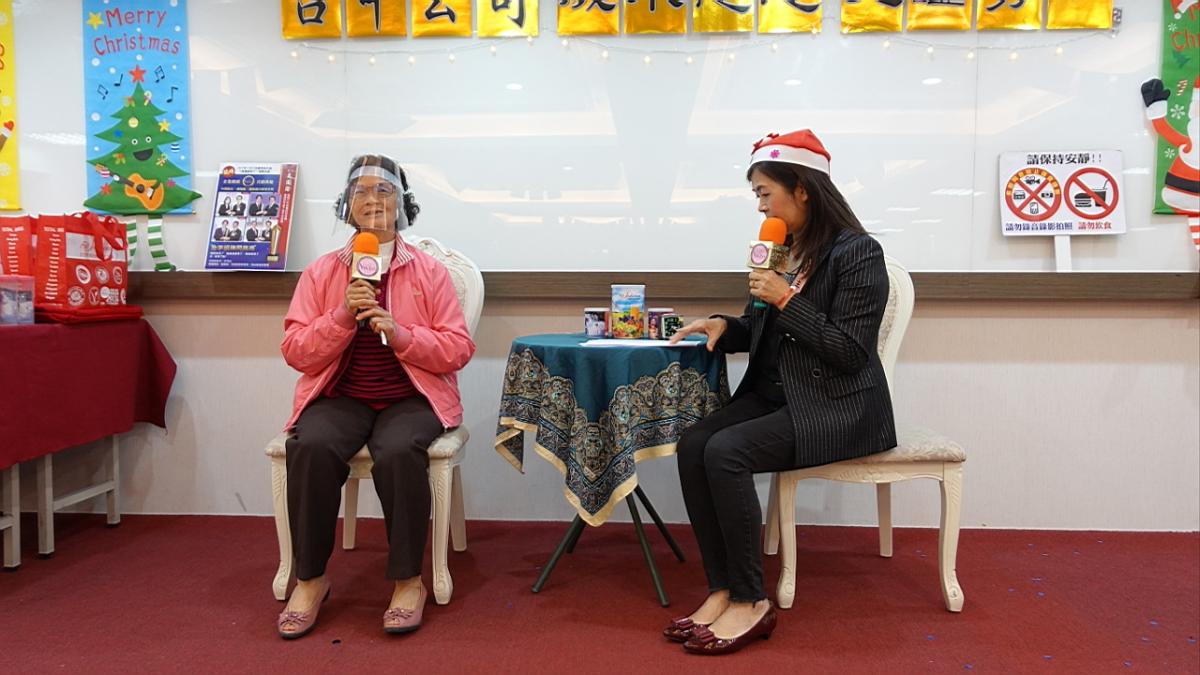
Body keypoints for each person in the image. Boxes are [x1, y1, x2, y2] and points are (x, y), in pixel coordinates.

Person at [665, 129, 896, 656]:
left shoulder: (859, 253)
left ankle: (752, 600)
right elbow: (762, 327)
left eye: (765, 193)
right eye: (757, 196)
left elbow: (849, 352)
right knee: (694, 443)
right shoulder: (783, 250)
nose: (760, 206)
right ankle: (722, 589)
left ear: (804, 190)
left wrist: (787, 298)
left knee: (727, 452)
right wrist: (726, 326)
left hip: (835, 404)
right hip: (777, 395)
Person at [276, 154, 475, 640]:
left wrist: (402, 334)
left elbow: (457, 349)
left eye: (384, 190)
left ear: (403, 204)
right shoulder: (322, 272)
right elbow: (296, 351)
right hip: (341, 396)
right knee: (311, 445)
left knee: (399, 451)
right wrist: (342, 315)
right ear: (347, 204)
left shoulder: (429, 272)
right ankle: (310, 580)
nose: (372, 199)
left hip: (412, 397)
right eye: (361, 191)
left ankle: (408, 581)